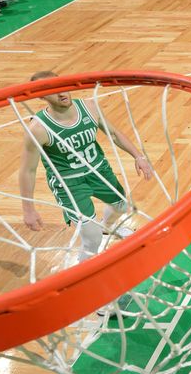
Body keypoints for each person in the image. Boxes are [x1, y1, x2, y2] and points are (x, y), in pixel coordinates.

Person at [19, 71, 153, 265]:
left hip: (100, 171)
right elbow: (27, 171)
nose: (60, 93)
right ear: (41, 96)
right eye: (51, 90)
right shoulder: (38, 129)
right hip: (70, 185)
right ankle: (86, 272)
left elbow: (114, 133)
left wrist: (138, 156)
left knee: (122, 206)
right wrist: (28, 210)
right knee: (93, 239)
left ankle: (108, 226)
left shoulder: (89, 106)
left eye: (61, 85)